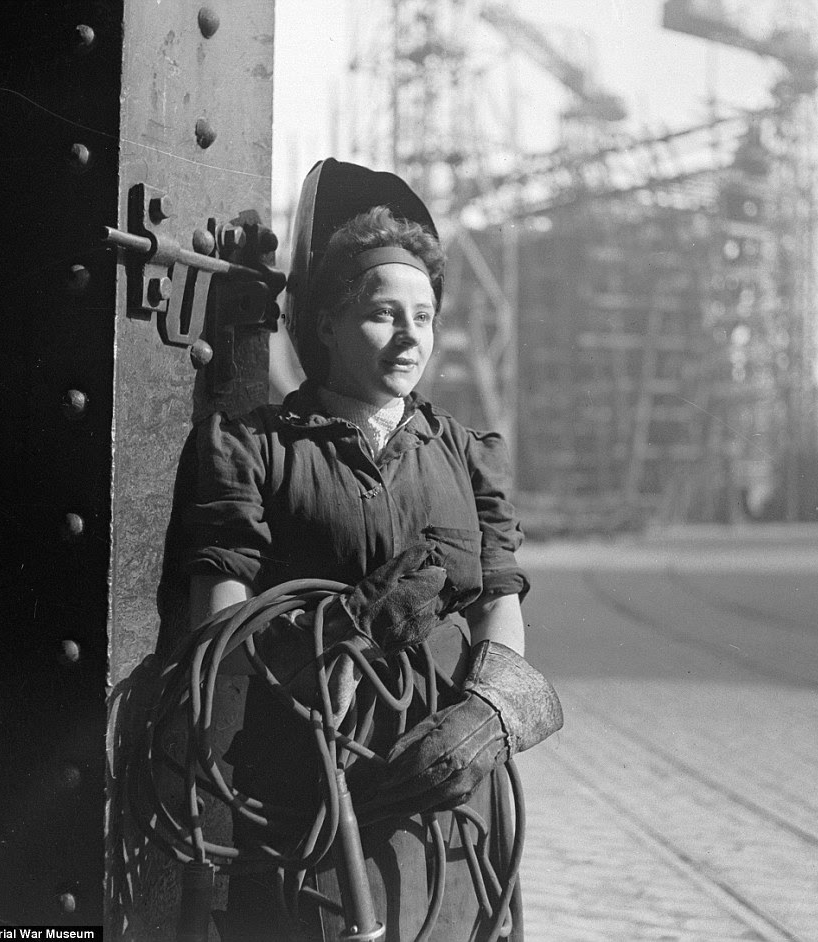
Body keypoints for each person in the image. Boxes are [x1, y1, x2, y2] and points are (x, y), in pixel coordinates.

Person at [178, 159, 561, 941]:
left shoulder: (464, 452)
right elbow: (216, 628)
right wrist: (350, 628)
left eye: (424, 317)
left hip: (447, 786)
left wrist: (489, 714)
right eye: (384, 314)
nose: (410, 336)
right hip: (308, 785)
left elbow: (498, 599)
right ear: (326, 324)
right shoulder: (255, 450)